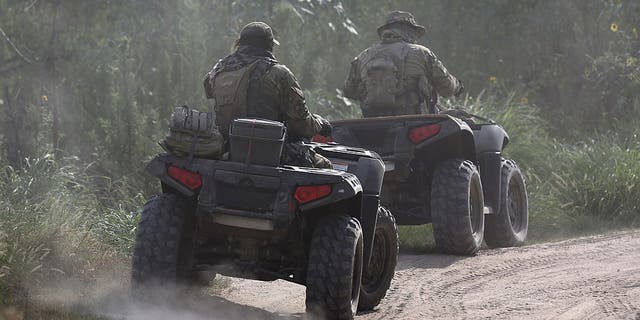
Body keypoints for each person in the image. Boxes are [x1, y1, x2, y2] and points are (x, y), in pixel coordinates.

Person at [204, 22, 331, 168]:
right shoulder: (278, 73)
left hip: (226, 149)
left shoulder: (218, 70)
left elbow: (209, 91)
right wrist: (320, 123)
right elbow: (302, 124)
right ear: (270, 46)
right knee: (325, 166)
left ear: (239, 43)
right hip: (269, 152)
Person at [343, 11, 464, 117]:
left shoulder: (363, 56)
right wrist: (457, 86)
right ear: (409, 30)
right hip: (415, 122)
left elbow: (349, 91)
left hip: (372, 124)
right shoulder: (421, 53)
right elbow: (447, 87)